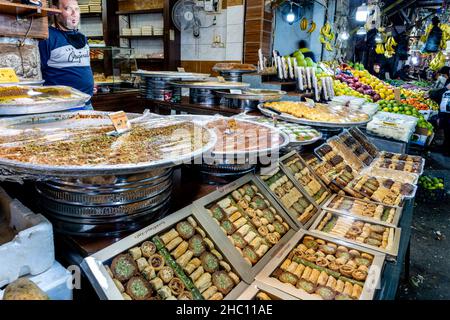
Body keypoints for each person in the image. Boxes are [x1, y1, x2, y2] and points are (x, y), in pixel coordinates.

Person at [38, 0, 94, 110]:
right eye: (68, 9)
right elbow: (38, 73)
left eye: (77, 9)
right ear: (55, 10)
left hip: (86, 103)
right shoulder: (47, 36)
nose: (74, 13)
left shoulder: (82, 37)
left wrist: (90, 84)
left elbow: (85, 66)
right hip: (61, 106)